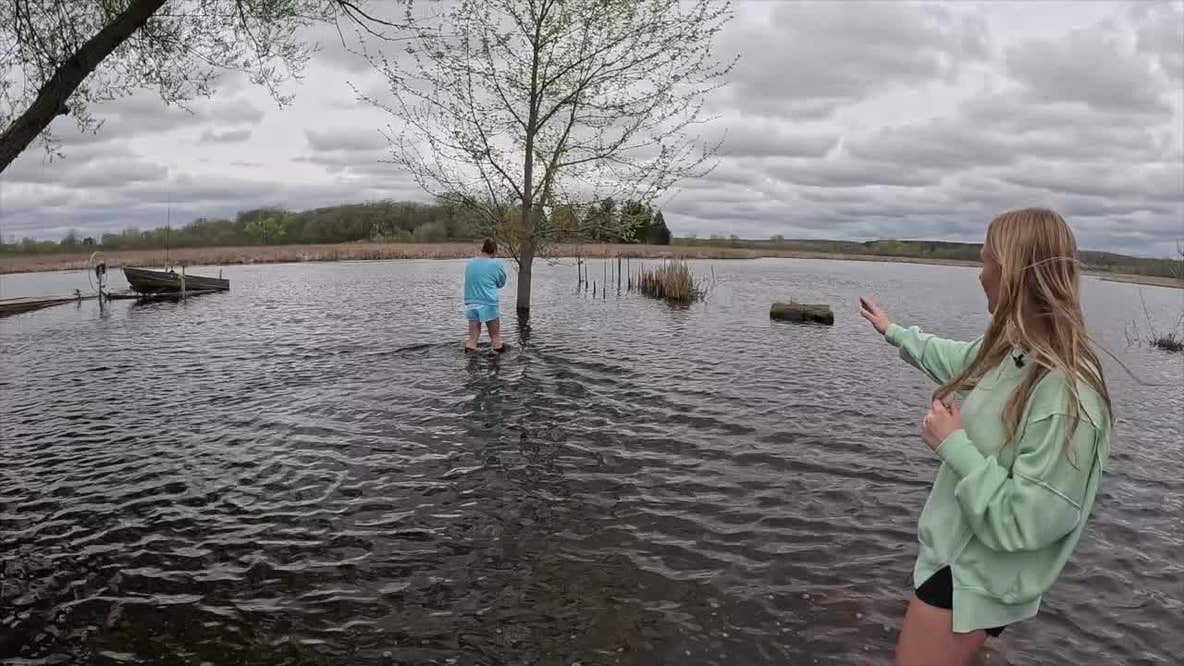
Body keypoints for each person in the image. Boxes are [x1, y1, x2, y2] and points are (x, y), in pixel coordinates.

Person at [859, 208, 1113, 666]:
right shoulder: (1015, 352)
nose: (979, 275)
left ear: (1013, 273)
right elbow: (963, 362)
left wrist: (952, 444)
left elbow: (1028, 519)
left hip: (972, 577)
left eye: (986, 262)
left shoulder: (1067, 394)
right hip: (961, 561)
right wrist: (893, 332)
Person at [464, 238, 507, 352]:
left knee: (472, 339)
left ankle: (470, 365)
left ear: (483, 249)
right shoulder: (496, 264)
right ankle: (498, 365)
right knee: (495, 337)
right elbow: (501, 283)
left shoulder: (471, 263)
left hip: (471, 303)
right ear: (494, 251)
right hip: (489, 303)